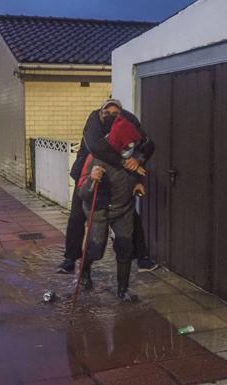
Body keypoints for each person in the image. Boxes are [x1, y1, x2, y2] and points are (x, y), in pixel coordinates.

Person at [57, 99, 157, 274]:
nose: (111, 116)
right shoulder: (93, 121)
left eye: (115, 113)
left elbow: (147, 144)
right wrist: (125, 162)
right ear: (101, 112)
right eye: (106, 113)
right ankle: (70, 258)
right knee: (77, 216)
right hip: (90, 172)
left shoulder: (128, 119)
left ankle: (141, 256)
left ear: (121, 113)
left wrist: (137, 160)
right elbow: (97, 148)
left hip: (118, 176)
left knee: (129, 214)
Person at [76, 115, 145, 300]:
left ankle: (123, 290)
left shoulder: (133, 157)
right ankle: (85, 270)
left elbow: (137, 173)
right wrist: (92, 179)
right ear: (119, 141)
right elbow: (82, 194)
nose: (131, 147)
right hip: (98, 210)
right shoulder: (96, 158)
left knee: (125, 248)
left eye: (133, 144)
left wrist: (138, 183)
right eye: (128, 144)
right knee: (96, 251)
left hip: (123, 209)